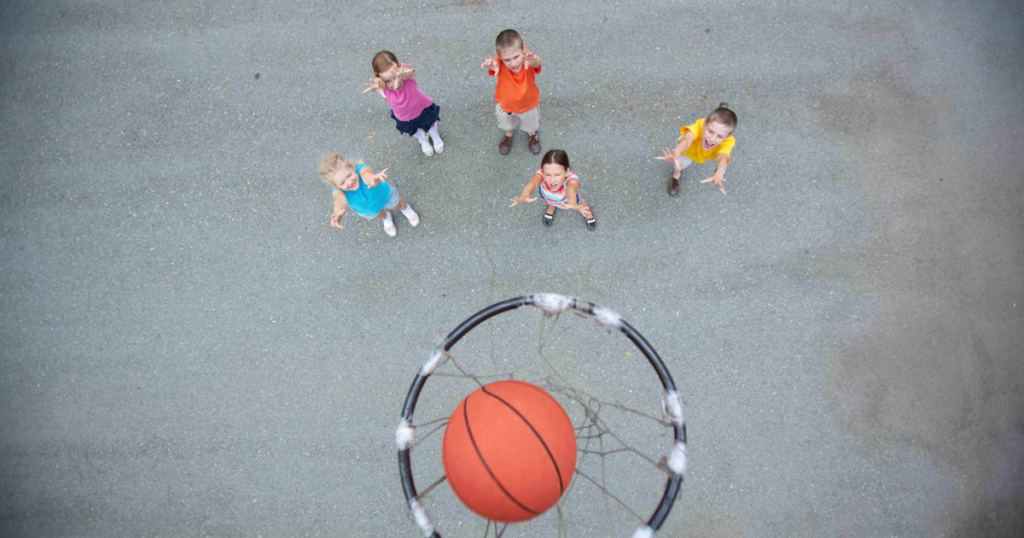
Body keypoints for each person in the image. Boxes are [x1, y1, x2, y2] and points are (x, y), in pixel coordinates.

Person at [363, 51, 444, 156]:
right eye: (388, 81)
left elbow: (410, 73)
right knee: (413, 130)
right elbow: (388, 98)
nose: (395, 84)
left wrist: (402, 74)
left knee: (431, 122)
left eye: (396, 76)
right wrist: (379, 90)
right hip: (404, 117)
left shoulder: (406, 73)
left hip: (422, 108)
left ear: (400, 67)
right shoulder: (382, 86)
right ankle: (423, 140)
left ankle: (435, 135)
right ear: (379, 79)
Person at [318, 154, 419, 238]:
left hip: (385, 195)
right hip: (368, 210)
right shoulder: (339, 190)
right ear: (336, 186)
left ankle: (406, 208)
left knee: (398, 204)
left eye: (349, 175)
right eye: (342, 182)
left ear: (352, 167)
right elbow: (339, 199)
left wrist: (371, 179)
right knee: (379, 215)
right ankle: (386, 218)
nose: (349, 182)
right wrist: (337, 211)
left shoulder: (360, 169)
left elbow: (366, 174)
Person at [481, 29, 543, 155]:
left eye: (516, 57)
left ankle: (532, 134)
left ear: (523, 48)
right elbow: (496, 62)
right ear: (500, 57)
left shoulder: (528, 60)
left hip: (528, 105)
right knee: (507, 124)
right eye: (507, 60)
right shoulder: (498, 63)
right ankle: (508, 134)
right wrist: (493, 65)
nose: (513, 63)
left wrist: (535, 60)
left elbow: (537, 63)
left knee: (531, 125)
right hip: (506, 106)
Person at [656, 103, 737, 196]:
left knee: (719, 120)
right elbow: (687, 139)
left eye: (719, 136)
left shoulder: (729, 141)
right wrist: (676, 154)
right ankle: (675, 177)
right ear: (704, 124)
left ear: (727, 136)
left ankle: (721, 111)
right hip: (687, 152)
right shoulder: (698, 126)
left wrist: (719, 173)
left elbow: (723, 156)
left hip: (699, 153)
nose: (712, 139)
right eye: (710, 131)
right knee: (679, 165)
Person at [510, 149, 596, 230]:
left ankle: (588, 214)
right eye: (547, 175)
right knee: (550, 200)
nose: (552, 180)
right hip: (549, 196)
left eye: (557, 175)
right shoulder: (542, 173)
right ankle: (551, 207)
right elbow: (534, 182)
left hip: (568, 199)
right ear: (543, 171)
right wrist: (525, 194)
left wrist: (572, 202)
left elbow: (571, 189)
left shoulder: (572, 179)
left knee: (581, 203)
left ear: (567, 172)